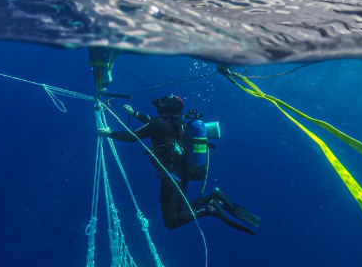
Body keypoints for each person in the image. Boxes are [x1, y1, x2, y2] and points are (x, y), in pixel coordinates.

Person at [99, 94, 260, 235]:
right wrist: (134, 114)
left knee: (171, 221)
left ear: (167, 107)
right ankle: (212, 198)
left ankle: (210, 209)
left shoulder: (159, 123)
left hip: (170, 176)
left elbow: (132, 136)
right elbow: (151, 121)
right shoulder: (178, 122)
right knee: (181, 211)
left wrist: (108, 133)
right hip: (181, 173)